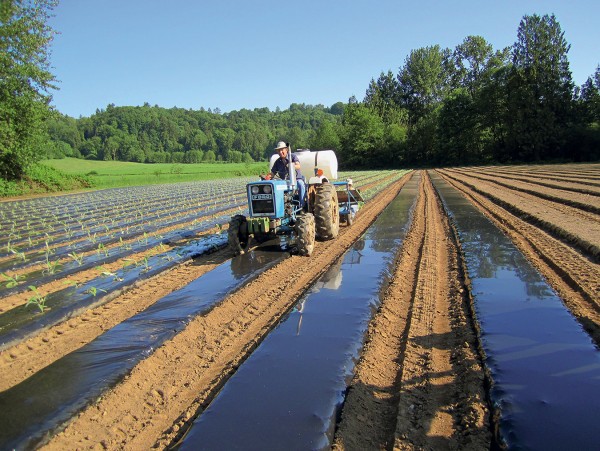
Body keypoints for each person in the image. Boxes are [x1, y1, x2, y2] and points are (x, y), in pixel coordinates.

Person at [268, 141, 306, 209]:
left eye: (282, 150)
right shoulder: (277, 162)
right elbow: (273, 173)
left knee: (301, 184)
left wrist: (291, 165)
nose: (280, 152)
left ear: (286, 150)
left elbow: (298, 165)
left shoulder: (293, 156)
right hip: (284, 182)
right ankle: (279, 208)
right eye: (279, 150)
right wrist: (267, 177)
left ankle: (302, 206)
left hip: (296, 180)